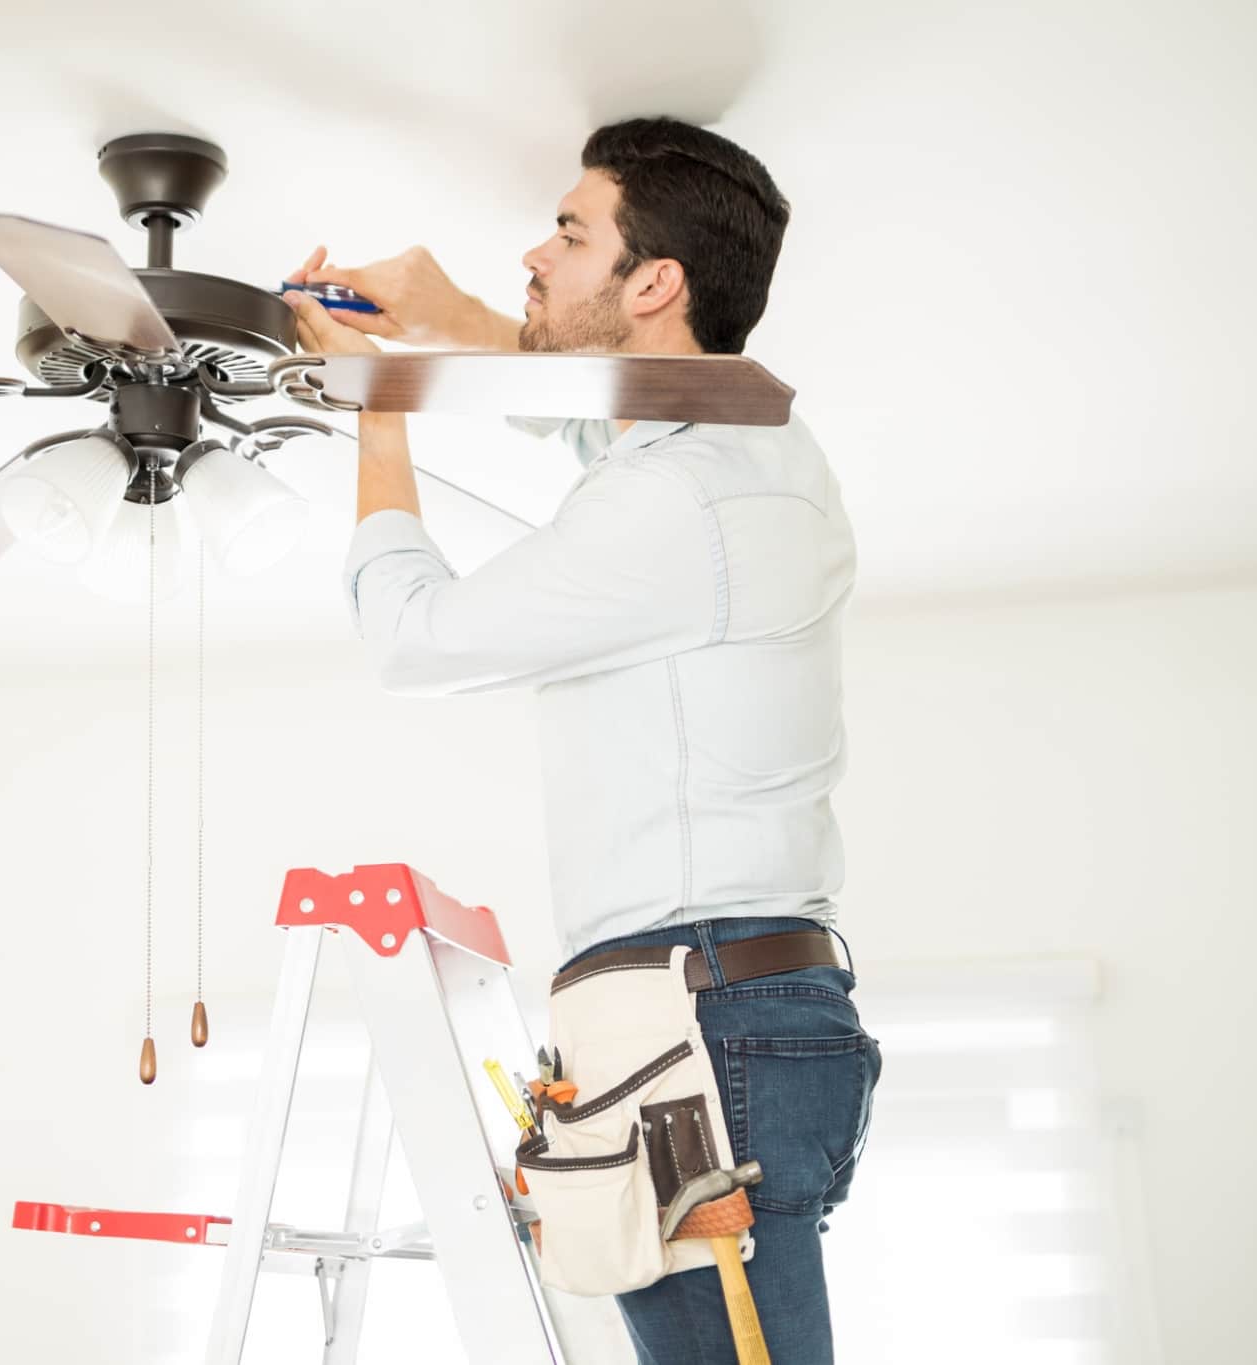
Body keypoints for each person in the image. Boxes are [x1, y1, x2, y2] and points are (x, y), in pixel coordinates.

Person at [281, 116, 883, 1365]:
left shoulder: (676, 496)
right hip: (724, 1006)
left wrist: (377, 412)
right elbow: (581, 401)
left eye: (568, 232)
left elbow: (416, 638)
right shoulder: (741, 452)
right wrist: (443, 311)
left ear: (653, 282)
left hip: (693, 1018)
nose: (534, 254)